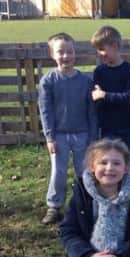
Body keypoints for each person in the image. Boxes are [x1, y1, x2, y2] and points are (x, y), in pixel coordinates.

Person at [38, 32, 97, 225]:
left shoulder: (85, 81)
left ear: (75, 53)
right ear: (52, 55)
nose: (66, 56)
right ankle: (54, 206)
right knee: (59, 171)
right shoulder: (48, 81)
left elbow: (91, 112)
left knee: (84, 171)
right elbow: (45, 110)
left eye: (69, 51)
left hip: (82, 134)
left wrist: (93, 137)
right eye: (60, 52)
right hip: (59, 136)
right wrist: (49, 137)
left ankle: (86, 204)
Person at [91, 26, 130, 163]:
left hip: (128, 127)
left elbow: (129, 97)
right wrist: (101, 98)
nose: (99, 53)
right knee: (110, 164)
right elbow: (97, 99)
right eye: (97, 50)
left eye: (102, 49)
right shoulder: (99, 72)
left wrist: (105, 95)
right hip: (108, 129)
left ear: (115, 46)